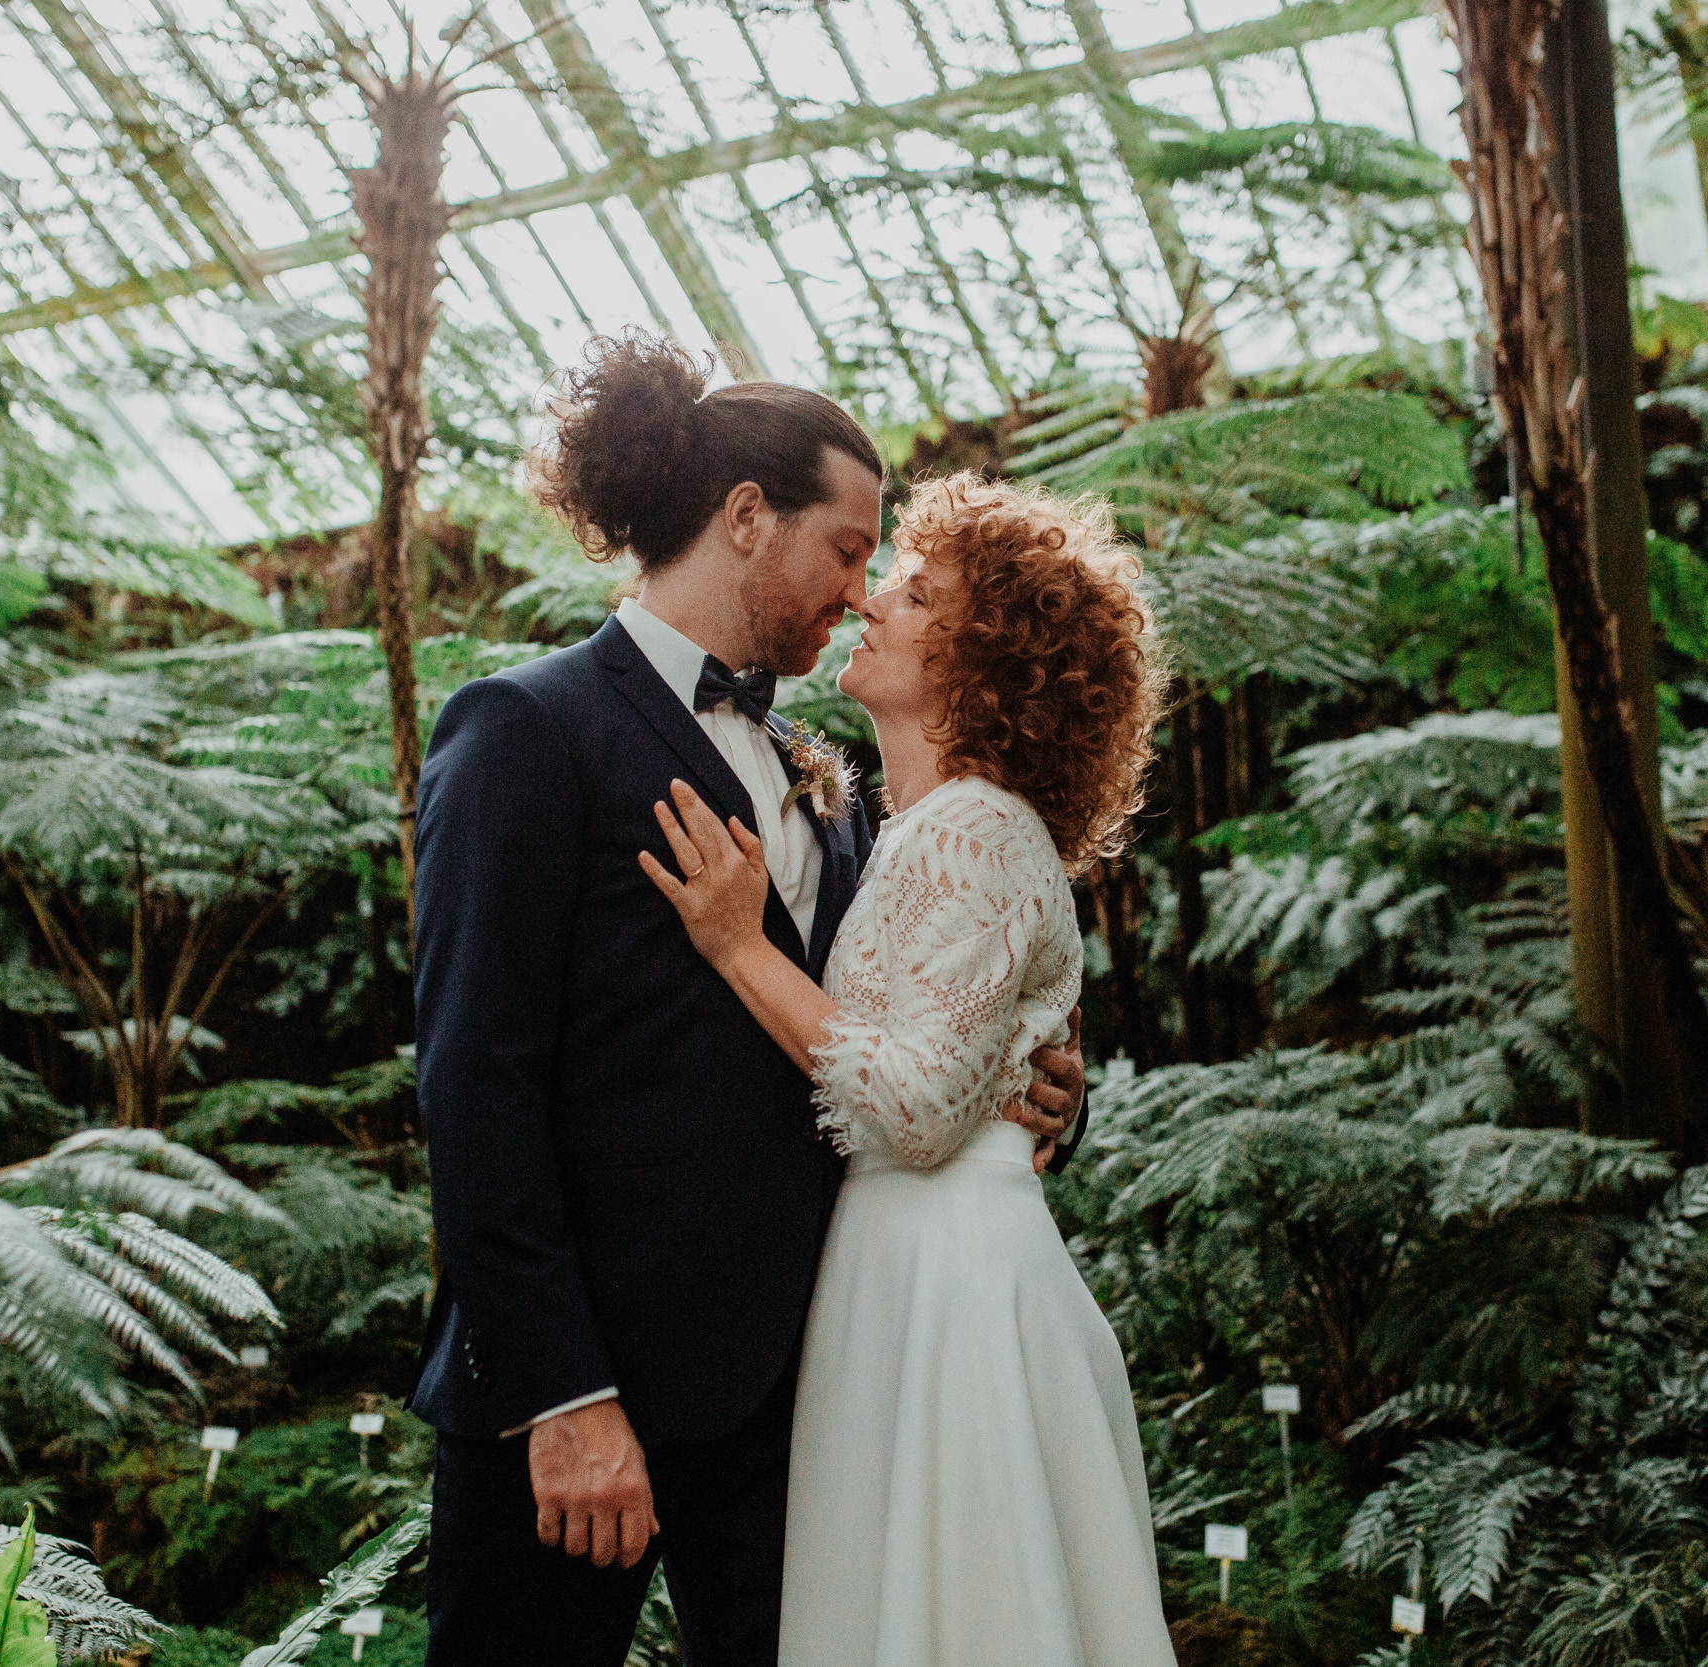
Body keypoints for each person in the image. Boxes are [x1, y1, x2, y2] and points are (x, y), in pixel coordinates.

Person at [408, 333, 1084, 1667]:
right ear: (745, 518)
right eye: (846, 547)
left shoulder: (820, 776)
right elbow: (474, 1082)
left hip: (797, 1406)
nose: (859, 586)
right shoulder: (525, 731)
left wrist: (1039, 1085)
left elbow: (886, 1025)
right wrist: (566, 1391)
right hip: (574, 1399)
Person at [642, 471, 1176, 1667]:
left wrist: (735, 945)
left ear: (986, 658)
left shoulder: (974, 828)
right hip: (911, 1271)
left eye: (916, 591)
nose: (873, 602)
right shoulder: (915, 831)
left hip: (950, 1295)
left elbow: (920, 1105)